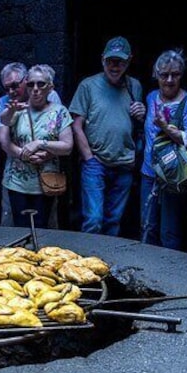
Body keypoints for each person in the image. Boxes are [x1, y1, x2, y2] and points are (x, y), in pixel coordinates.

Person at [69, 36, 146, 236]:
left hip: (124, 163)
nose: (115, 66)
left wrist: (141, 115)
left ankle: (107, 265)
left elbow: (138, 125)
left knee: (113, 221)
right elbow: (76, 125)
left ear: (129, 61)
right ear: (102, 59)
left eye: (120, 61)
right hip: (96, 161)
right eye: (111, 60)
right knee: (93, 219)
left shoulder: (134, 86)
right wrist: (88, 157)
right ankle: (86, 265)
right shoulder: (88, 85)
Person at [140, 50, 187, 249]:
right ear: (156, 75)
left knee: (169, 232)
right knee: (147, 227)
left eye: (175, 74)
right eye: (164, 75)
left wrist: (167, 127)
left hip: (174, 177)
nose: (169, 80)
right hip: (149, 173)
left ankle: (169, 276)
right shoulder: (151, 98)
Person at [0, 64, 73, 228]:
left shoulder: (59, 112)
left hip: (45, 182)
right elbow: (4, 121)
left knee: (42, 228)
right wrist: (12, 110)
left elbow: (67, 146)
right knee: (19, 228)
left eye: (41, 84)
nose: (35, 89)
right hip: (17, 182)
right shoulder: (18, 109)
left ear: (50, 88)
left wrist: (41, 144)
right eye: (31, 84)